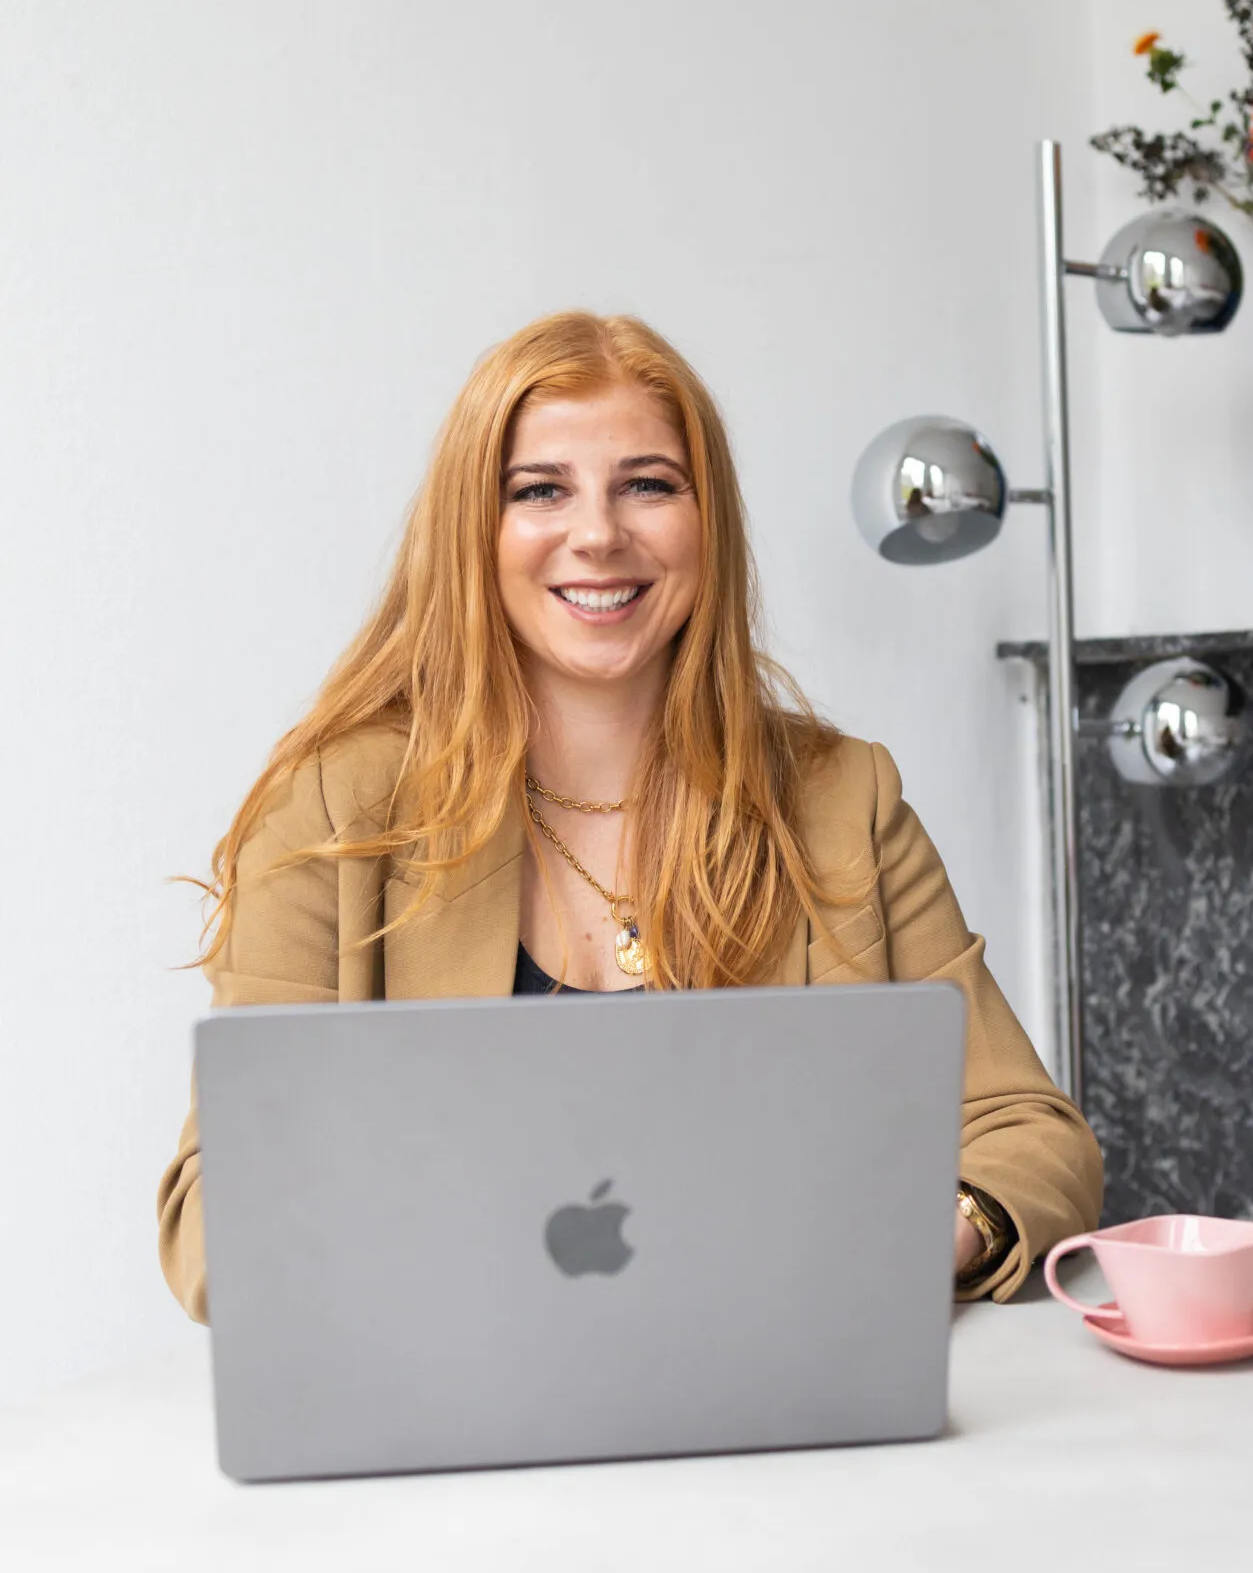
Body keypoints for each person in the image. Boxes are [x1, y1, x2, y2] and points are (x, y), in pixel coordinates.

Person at [157, 311, 1102, 1321]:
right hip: (453, 1402)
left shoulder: (840, 798)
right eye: (539, 490)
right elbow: (220, 1209)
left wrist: (918, 1230)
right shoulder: (336, 809)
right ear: (474, 530)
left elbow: (1032, 1134)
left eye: (648, 484)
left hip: (775, 1388)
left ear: (708, 524)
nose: (599, 532)